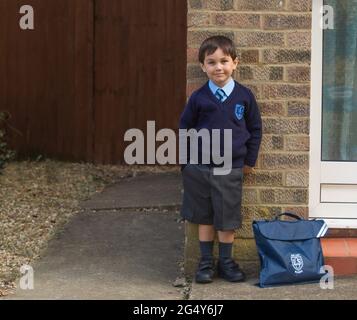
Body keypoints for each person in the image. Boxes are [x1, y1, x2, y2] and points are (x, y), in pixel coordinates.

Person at [179, 35, 262, 283]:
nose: (218, 67)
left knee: (226, 217)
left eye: (224, 61)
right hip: (200, 167)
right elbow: (185, 128)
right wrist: (186, 164)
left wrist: (249, 161)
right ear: (203, 66)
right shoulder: (198, 97)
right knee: (204, 216)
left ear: (235, 63)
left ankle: (226, 262)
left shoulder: (244, 97)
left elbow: (255, 129)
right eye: (212, 62)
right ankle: (206, 263)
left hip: (231, 167)